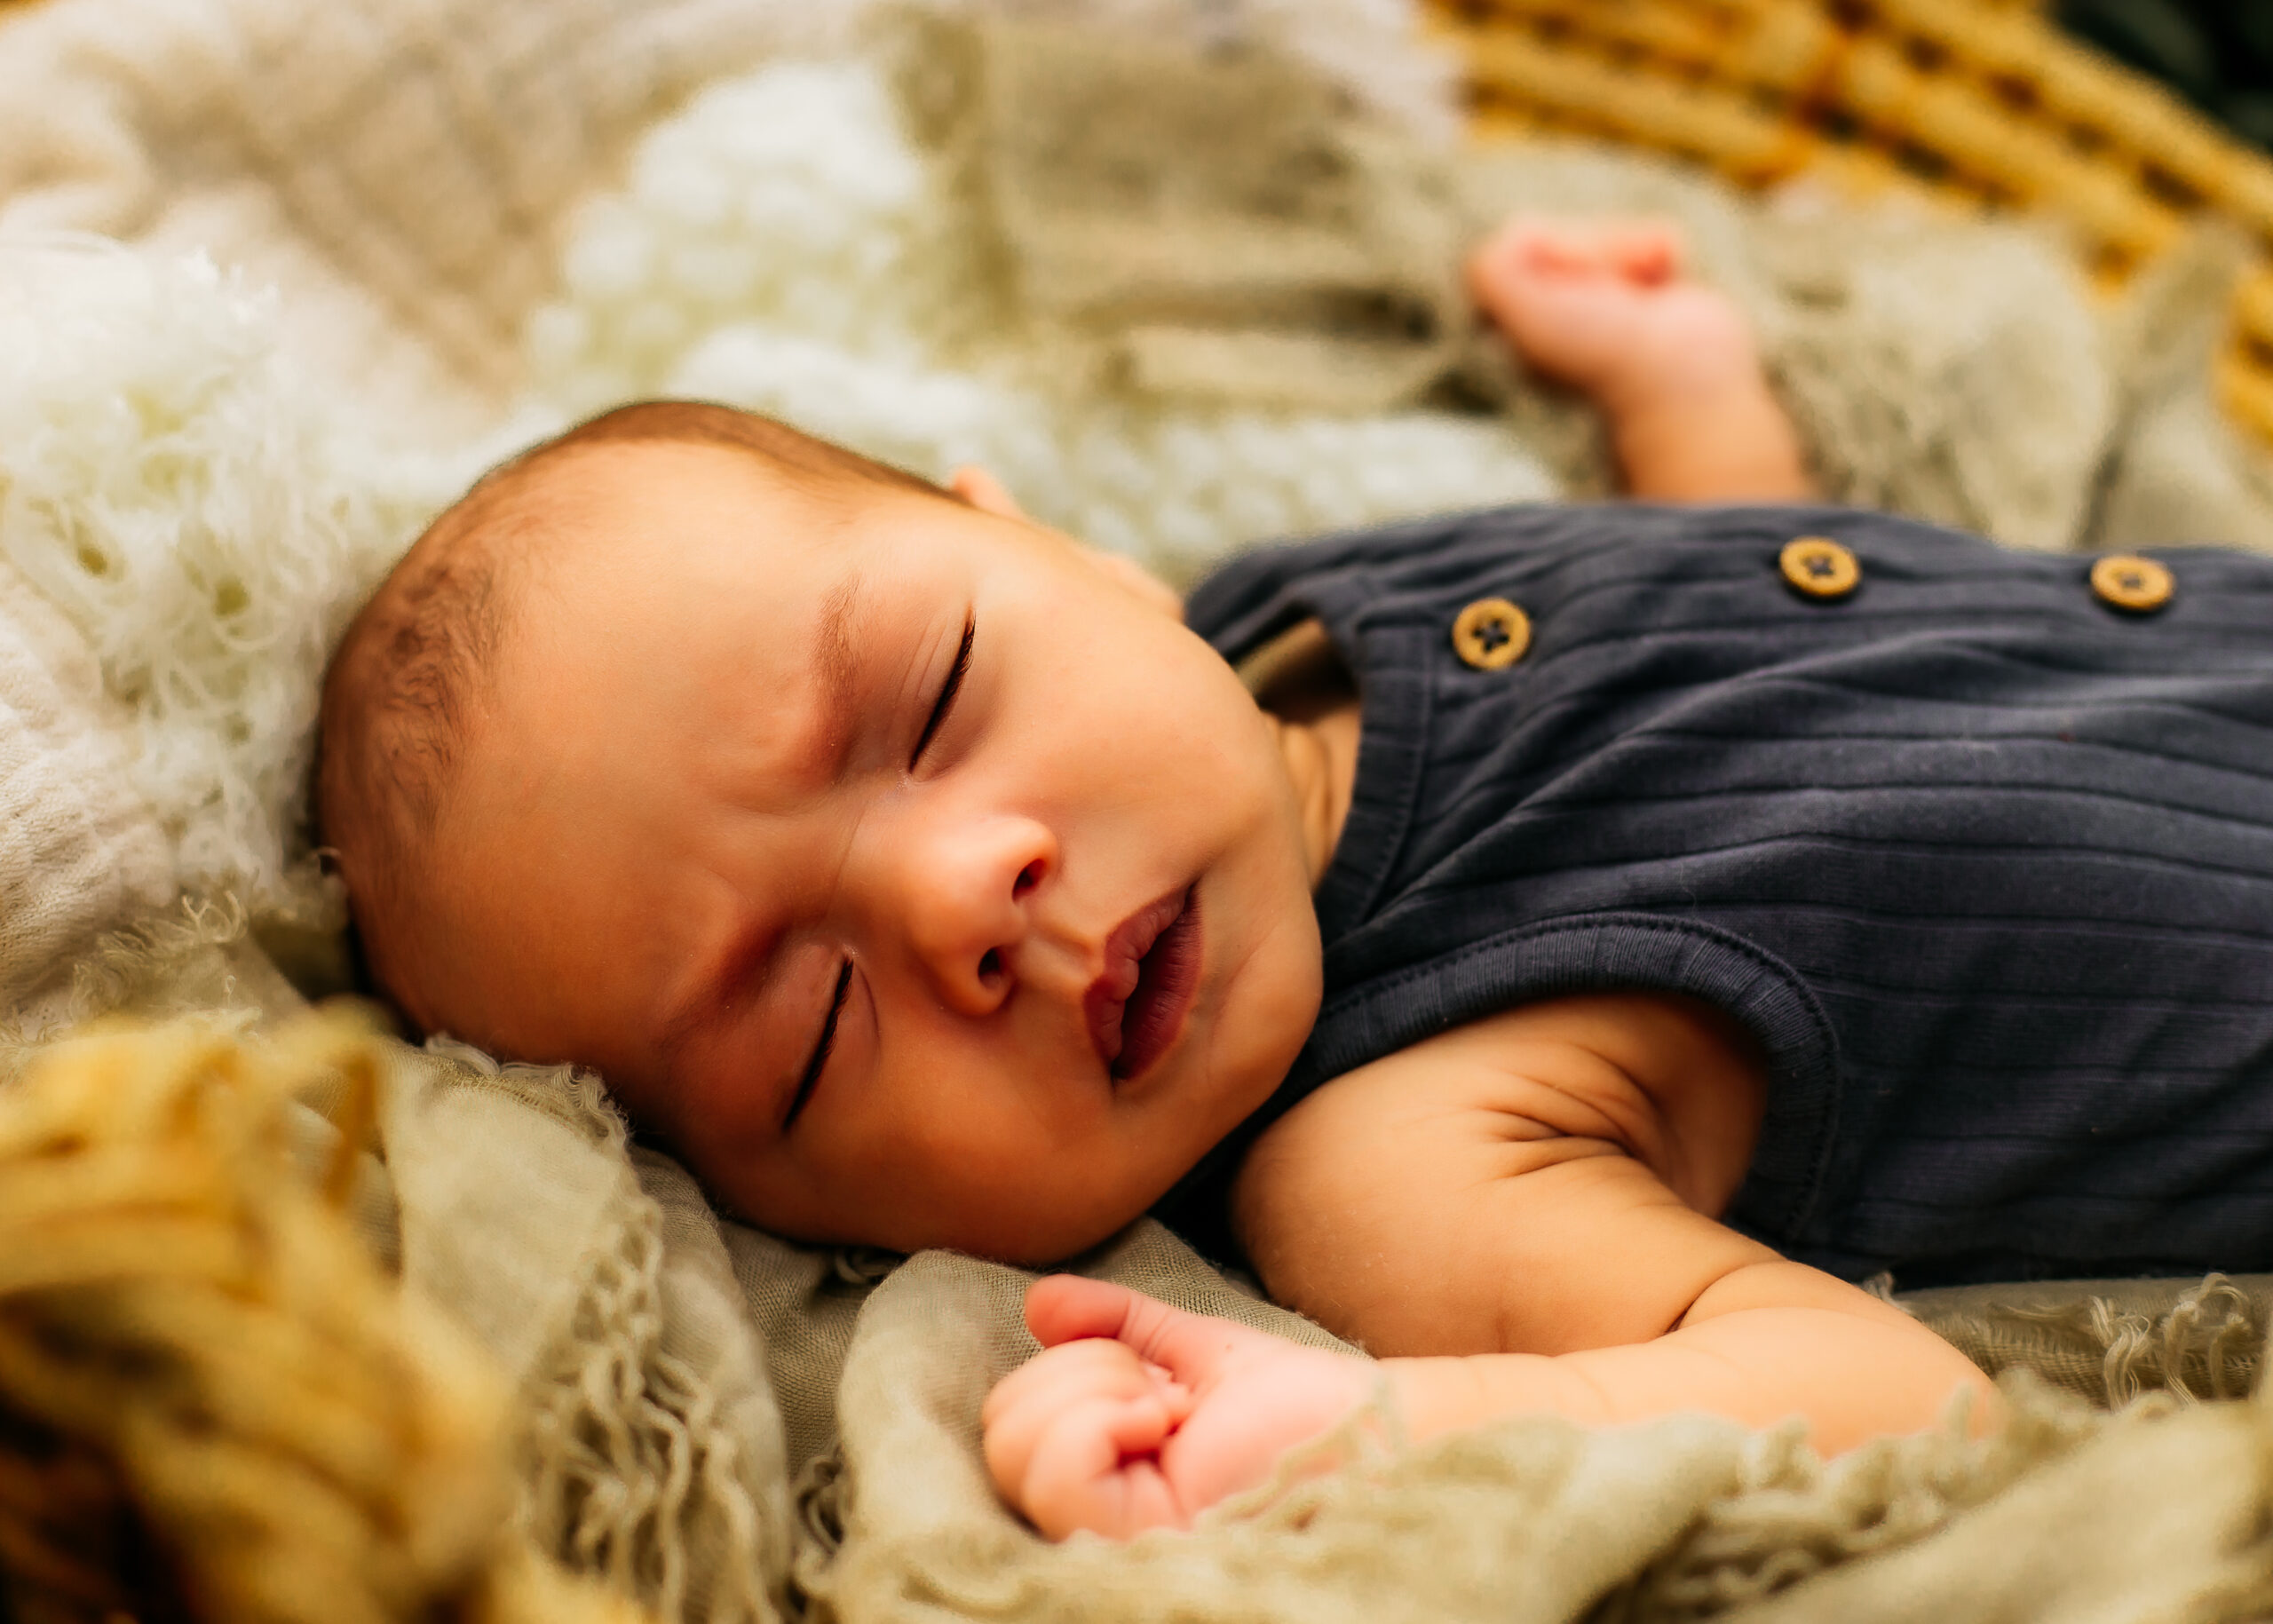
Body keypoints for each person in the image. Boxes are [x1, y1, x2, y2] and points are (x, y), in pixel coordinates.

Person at [316, 217, 2273, 1541]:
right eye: (816, 1024)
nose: (959, 900)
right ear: (770, 1209)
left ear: (1071, 551)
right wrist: (1363, 1432)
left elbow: (1763, 648)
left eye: (935, 696)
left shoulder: (1306, 620)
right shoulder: (1394, 1158)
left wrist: (1682, 402)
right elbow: (1879, 1401)